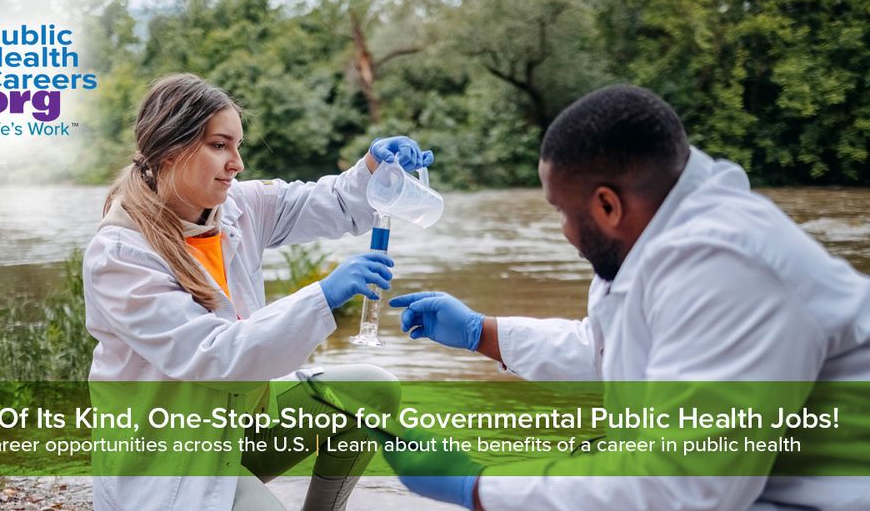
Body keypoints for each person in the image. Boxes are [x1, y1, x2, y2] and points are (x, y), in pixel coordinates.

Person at [383, 85, 870, 510]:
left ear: (608, 205)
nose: (565, 232)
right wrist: (482, 334)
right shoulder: (660, 241)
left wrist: (477, 485)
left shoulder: (728, 265)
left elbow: (680, 487)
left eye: (562, 212)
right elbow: (621, 352)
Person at [82, 73, 435, 510]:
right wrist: (322, 296)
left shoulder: (238, 208)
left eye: (238, 146)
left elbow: (331, 202)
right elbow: (216, 356)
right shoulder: (119, 255)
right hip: (172, 461)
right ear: (170, 149)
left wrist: (372, 170)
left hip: (239, 431)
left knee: (371, 390)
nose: (237, 163)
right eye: (219, 145)